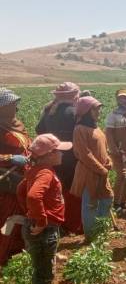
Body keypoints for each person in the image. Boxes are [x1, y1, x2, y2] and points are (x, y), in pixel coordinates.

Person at [16, 134, 72, 284]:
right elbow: (32, 195)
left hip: (41, 228)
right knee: (44, 274)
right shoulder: (45, 173)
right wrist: (40, 220)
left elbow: (21, 189)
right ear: (49, 155)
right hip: (44, 231)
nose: (62, 154)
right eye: (58, 151)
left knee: (44, 271)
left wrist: (30, 213)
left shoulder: (36, 170)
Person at [35, 82, 83, 235]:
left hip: (52, 155)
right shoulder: (74, 112)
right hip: (70, 155)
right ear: (73, 95)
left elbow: (39, 130)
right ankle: (71, 224)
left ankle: (58, 222)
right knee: (72, 190)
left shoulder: (49, 110)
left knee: (57, 188)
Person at [70, 96, 114, 241]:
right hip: (89, 172)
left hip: (101, 171)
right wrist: (101, 168)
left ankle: (101, 231)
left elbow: (103, 148)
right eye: (95, 109)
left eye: (98, 109)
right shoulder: (80, 129)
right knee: (91, 204)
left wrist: (108, 160)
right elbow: (84, 154)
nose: (98, 112)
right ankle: (91, 237)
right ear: (86, 111)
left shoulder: (95, 127)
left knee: (107, 199)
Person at [0, 87, 31, 266]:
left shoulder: (16, 123)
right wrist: (11, 158)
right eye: (12, 105)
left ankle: (16, 250)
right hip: (7, 180)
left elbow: (26, 142)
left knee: (22, 214)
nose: (16, 108)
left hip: (22, 176)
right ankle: (3, 254)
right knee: (7, 217)